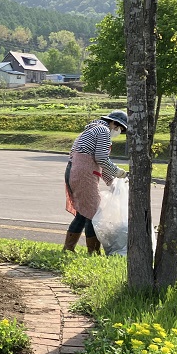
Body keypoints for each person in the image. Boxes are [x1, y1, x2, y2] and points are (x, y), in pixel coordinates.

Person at [64, 109, 129, 254]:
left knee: (83, 213)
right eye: (118, 128)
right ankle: (93, 252)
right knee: (94, 212)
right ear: (112, 122)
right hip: (82, 173)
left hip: (76, 171)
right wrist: (118, 172)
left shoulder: (92, 129)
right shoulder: (103, 130)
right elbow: (101, 159)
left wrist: (112, 181)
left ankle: (68, 249)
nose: (118, 131)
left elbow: (98, 162)